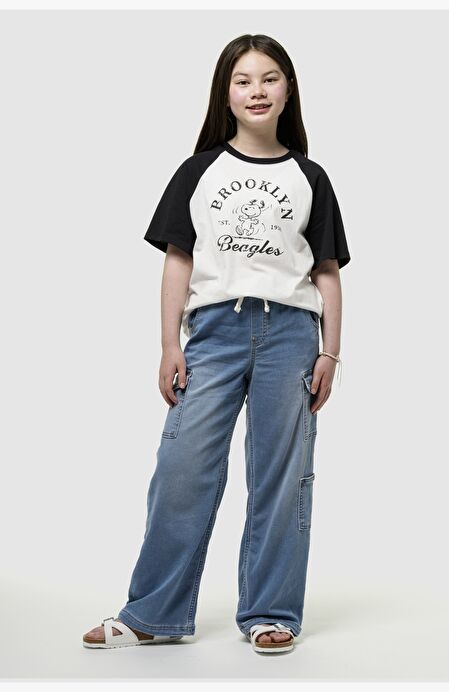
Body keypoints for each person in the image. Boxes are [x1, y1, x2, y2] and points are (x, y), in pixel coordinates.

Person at [83, 33, 350, 655]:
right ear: (225, 94)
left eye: (269, 78)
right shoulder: (199, 171)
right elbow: (178, 259)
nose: (257, 91)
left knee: (282, 477)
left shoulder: (310, 177)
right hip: (213, 332)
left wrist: (330, 352)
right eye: (243, 80)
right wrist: (168, 344)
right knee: (182, 468)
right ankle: (153, 612)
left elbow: (327, 272)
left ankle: (271, 611)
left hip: (291, 333)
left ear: (288, 89)